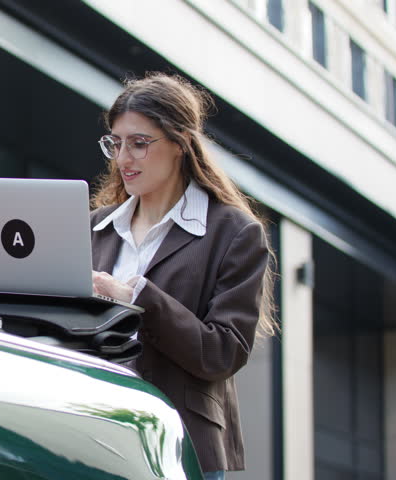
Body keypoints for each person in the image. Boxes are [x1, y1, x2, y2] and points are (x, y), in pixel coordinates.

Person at [90, 72, 277, 480]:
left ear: (179, 144)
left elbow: (223, 353)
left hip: (180, 445)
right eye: (115, 143)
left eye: (139, 144)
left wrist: (135, 296)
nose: (123, 159)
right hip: (94, 430)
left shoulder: (234, 233)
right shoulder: (95, 227)